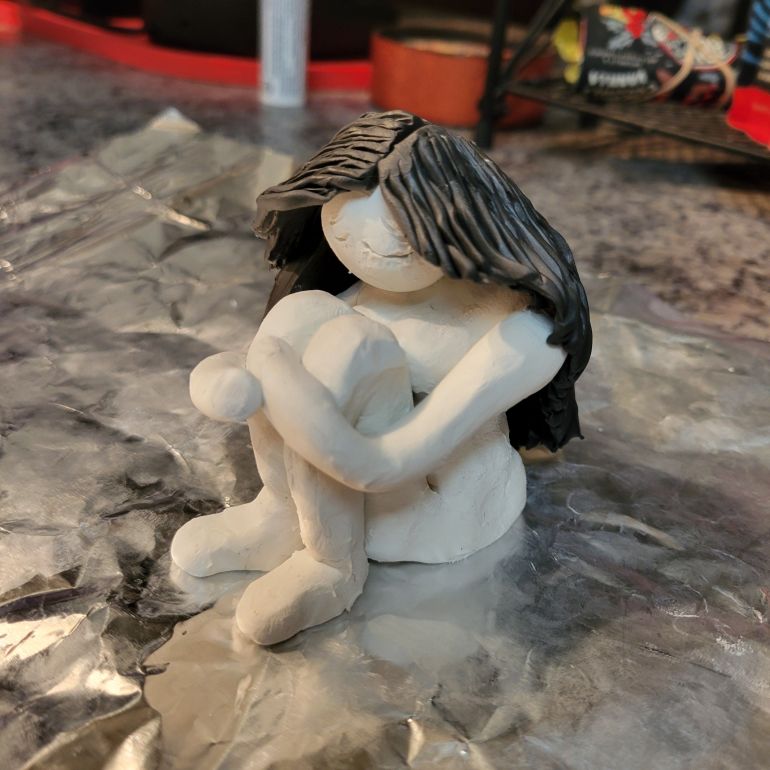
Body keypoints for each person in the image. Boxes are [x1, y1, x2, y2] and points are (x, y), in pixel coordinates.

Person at [171, 111, 592, 645]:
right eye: (342, 225)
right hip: (326, 492)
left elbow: (380, 464)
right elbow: (262, 364)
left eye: (397, 234)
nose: (364, 249)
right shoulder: (362, 293)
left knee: (354, 344)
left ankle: (333, 564)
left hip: (433, 507)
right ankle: (281, 513)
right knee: (300, 313)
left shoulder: (523, 331)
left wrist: (272, 378)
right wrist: (227, 378)